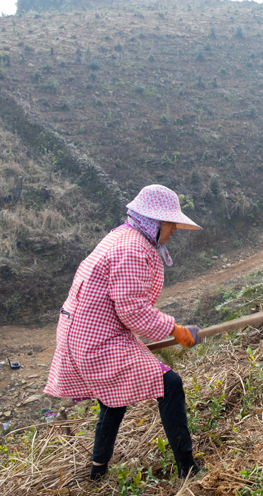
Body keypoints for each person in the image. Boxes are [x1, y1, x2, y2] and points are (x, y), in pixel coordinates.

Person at [44, 184, 204, 481]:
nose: (175, 231)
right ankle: (188, 468)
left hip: (85, 332)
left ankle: (96, 473)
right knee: (169, 383)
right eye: (171, 224)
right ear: (155, 222)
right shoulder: (131, 249)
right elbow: (133, 311)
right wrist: (176, 330)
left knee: (112, 398)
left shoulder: (123, 235)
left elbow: (125, 308)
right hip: (96, 339)